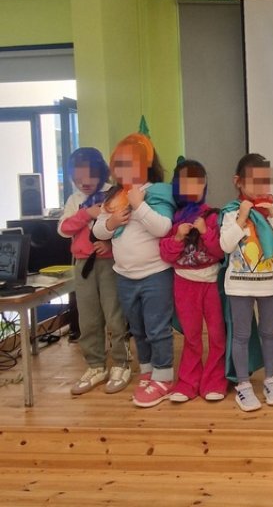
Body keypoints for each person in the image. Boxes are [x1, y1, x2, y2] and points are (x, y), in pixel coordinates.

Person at [93, 133, 175, 408]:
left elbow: (163, 228)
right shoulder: (114, 196)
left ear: (146, 163)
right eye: (119, 164)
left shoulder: (158, 191)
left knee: (157, 328)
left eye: (130, 163)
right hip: (125, 276)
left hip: (156, 275)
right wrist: (112, 222)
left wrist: (139, 205)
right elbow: (98, 230)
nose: (123, 169)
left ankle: (164, 377)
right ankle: (148, 371)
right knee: (138, 329)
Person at [219, 154, 273, 412]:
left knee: (268, 332)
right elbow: (226, 245)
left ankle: (271, 379)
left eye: (265, 180)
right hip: (239, 285)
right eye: (254, 180)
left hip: (269, 283)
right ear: (238, 181)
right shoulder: (230, 212)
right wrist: (241, 218)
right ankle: (243, 384)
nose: (261, 186)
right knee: (241, 335)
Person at [58, 147, 130, 395]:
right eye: (77, 178)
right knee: (88, 318)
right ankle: (95, 365)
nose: (84, 182)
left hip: (109, 263)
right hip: (82, 265)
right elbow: (63, 229)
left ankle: (121, 363)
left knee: (114, 315)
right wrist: (86, 213)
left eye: (88, 176)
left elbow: (125, 225)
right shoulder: (74, 199)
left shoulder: (113, 193)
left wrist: (109, 242)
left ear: (100, 172)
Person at [159, 158, 226, 403]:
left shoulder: (213, 216)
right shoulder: (172, 217)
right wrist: (178, 237)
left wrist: (206, 232)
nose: (193, 187)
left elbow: (220, 251)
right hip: (184, 284)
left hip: (211, 283)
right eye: (187, 182)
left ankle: (215, 380)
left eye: (198, 182)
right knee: (191, 336)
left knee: (217, 335)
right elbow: (166, 254)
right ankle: (188, 382)